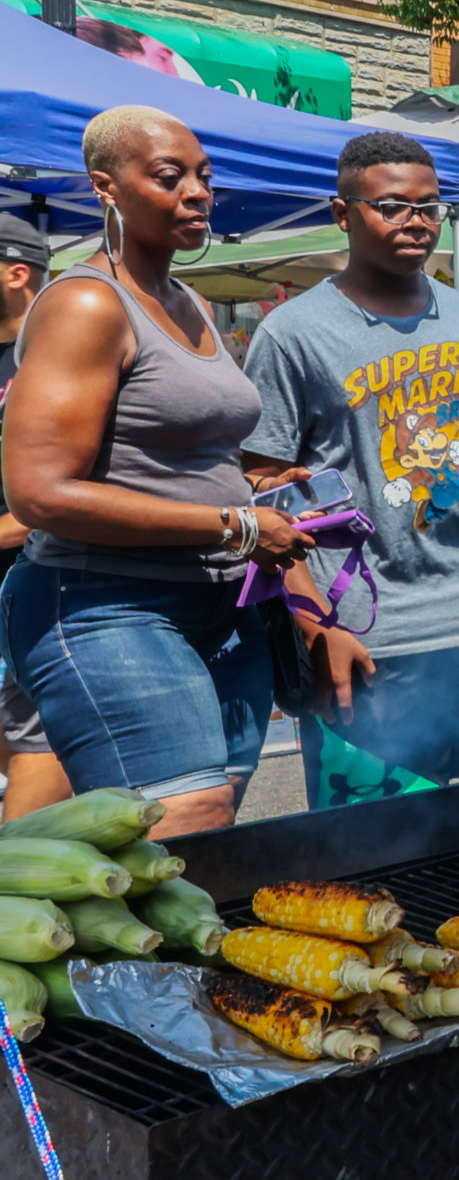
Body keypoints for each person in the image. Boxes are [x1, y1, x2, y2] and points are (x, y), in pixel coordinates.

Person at [1, 107, 314, 836]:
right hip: (106, 601)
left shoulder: (190, 302)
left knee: (212, 829)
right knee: (183, 819)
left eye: (204, 176)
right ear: (106, 186)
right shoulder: (86, 303)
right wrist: (237, 525)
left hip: (222, 604)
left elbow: (177, 453)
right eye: (170, 176)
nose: (198, 192)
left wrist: (258, 487)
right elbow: (40, 494)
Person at [241, 132, 459, 812]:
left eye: (430, 207)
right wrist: (314, 628)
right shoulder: (292, 333)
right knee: (376, 849)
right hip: (368, 644)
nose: (416, 221)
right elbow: (263, 496)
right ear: (343, 213)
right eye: (392, 206)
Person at [0, 213, 66, 822]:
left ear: (16, 273)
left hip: (41, 589)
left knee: (38, 744)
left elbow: (68, 489)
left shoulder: (59, 350)